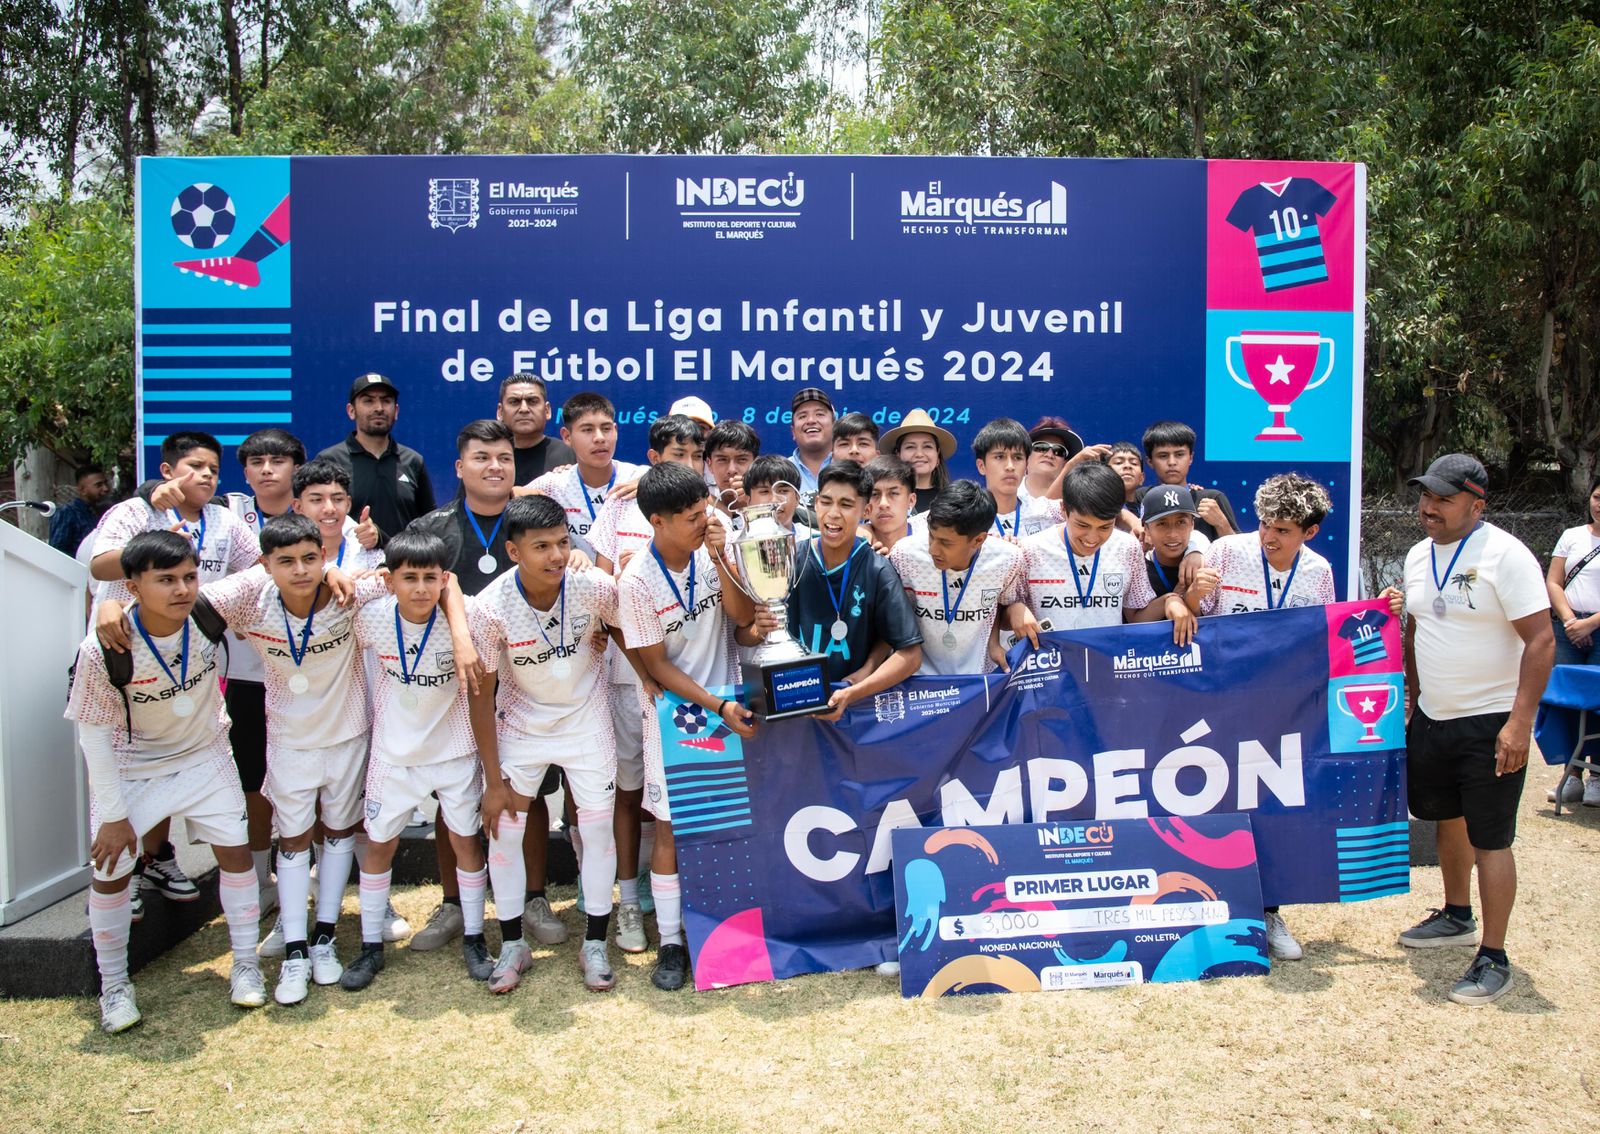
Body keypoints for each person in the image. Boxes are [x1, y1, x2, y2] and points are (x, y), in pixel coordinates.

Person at [183, 515, 393, 1004]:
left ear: (324, 557)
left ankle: (324, 938)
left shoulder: (349, 592)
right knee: (295, 839)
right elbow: (182, 603)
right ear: (265, 564)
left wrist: (343, 573)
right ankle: (295, 949)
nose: (300, 570)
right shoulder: (249, 598)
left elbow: (408, 581)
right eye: (286, 561)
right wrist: (117, 610)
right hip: (288, 742)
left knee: (339, 833)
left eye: (310, 559)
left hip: (347, 736)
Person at [67, 531, 267, 1033]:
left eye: (189, 576)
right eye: (166, 580)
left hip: (205, 754)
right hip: (133, 765)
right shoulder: (102, 647)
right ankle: (114, 987)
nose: (182, 589)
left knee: (236, 854)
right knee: (111, 870)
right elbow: (93, 736)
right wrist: (115, 817)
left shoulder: (209, 608)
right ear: (133, 587)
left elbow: (270, 568)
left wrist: (334, 571)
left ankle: (246, 965)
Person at [1381, 454, 1553, 1006]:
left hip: (1491, 721)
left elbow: (1541, 640)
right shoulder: (1417, 554)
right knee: (1446, 816)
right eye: (1425, 496)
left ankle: (1494, 956)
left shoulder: (1506, 555)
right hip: (1434, 716)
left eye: (1443, 499)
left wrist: (1519, 723)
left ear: (1477, 504)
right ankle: (1457, 914)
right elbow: (1416, 630)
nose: (1428, 507)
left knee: (1491, 838)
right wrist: (1413, 698)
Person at [408, 420, 568, 951]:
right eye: (481, 458)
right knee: (453, 794)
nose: (494, 467)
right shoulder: (434, 528)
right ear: (460, 467)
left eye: (504, 457)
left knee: (530, 790)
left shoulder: (534, 520)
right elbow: (417, 589)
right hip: (455, 683)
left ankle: (534, 897)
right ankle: (455, 903)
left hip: (526, 681)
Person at [89, 431, 261, 906]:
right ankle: (131, 867)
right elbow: (100, 566)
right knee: (128, 758)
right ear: (166, 471)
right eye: (194, 466)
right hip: (127, 653)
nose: (205, 475)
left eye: (212, 469)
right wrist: (142, 560)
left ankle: (157, 857)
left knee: (177, 751)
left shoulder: (224, 521)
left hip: (189, 657)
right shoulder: (134, 512)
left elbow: (259, 564)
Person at [467, 495, 626, 993]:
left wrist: (611, 639)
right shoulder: (489, 607)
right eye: (541, 547)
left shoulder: (592, 585)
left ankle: (594, 943)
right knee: (504, 834)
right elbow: (480, 695)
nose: (556, 556)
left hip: (586, 723)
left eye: (562, 542)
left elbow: (628, 626)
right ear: (514, 552)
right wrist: (492, 780)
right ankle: (513, 943)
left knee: (597, 834)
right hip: (522, 728)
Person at [617, 462, 766, 990]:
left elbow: (743, 617)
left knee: (729, 823)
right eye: (691, 517)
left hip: (729, 703)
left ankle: (732, 931)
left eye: (705, 511)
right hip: (675, 714)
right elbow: (656, 666)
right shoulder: (635, 580)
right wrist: (715, 707)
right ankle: (671, 943)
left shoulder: (713, 551)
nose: (705, 522)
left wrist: (722, 557)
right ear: (657, 522)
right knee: (670, 828)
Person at [1186, 472, 1337, 962]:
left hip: (1281, 712)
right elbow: (1192, 619)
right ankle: (1209, 907)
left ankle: (1270, 911)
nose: (1269, 536)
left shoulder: (1318, 571)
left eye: (1283, 530)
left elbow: (1325, 638)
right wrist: (1192, 596)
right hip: (1221, 704)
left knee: (1271, 810)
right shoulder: (1227, 551)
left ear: (1309, 532)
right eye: (1265, 523)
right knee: (1213, 804)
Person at [340, 529, 488, 992]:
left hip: (454, 752)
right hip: (394, 755)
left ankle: (475, 937)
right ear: (390, 581)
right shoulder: (371, 618)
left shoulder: (468, 617)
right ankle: (370, 945)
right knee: (379, 846)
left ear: (444, 579)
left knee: (466, 842)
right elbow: (341, 595)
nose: (421, 588)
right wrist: (341, 574)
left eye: (430, 578)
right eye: (409, 578)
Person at [222, 427, 308, 917]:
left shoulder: (317, 516)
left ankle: (310, 875)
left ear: (296, 468)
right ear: (246, 471)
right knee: (253, 782)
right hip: (248, 673)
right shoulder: (227, 520)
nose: (268, 469)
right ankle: (260, 880)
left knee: (316, 782)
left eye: (278, 461)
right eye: (257, 462)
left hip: (312, 677)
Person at [787, 461, 923, 699]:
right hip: (792, 697)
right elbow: (747, 633)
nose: (833, 513)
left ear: (866, 511)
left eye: (846, 504)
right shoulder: (790, 559)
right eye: (826, 502)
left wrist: (855, 690)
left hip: (854, 707)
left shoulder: (878, 569)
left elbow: (910, 656)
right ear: (816, 503)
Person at [1020, 464, 1193, 641]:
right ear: (1064, 509)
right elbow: (1007, 613)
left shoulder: (1127, 548)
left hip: (1108, 656)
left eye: (1105, 527)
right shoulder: (1030, 551)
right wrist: (1014, 611)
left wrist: (1170, 600)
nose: (1092, 537)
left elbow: (1135, 617)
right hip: (1050, 657)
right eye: (1082, 525)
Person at [888, 480, 1032, 676]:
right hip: (917, 679)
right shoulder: (904, 555)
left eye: (946, 543)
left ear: (979, 539)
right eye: (931, 536)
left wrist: (1013, 612)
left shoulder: (1008, 560)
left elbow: (1002, 604)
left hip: (977, 678)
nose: (933, 550)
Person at [314, 373, 436, 543]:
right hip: (348, 559)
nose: (379, 408)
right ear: (351, 411)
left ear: (396, 411)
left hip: (404, 559)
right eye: (368, 401)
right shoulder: (330, 460)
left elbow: (429, 524)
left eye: (386, 401)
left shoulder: (413, 461)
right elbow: (317, 519)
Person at [526, 393, 645, 557]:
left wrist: (651, 483)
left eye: (606, 429)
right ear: (567, 437)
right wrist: (514, 492)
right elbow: (506, 501)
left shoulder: (641, 477)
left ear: (616, 431)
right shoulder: (552, 485)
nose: (599, 438)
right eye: (587, 430)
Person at [1545, 475, 1600, 805]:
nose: (1599, 505)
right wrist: (1569, 622)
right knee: (1567, 703)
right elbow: (1554, 581)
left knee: (1598, 706)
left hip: (1596, 627)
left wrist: (1590, 625)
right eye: (1597, 497)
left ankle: (1597, 777)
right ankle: (1571, 775)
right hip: (1567, 629)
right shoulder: (1572, 536)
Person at [1140, 420, 1240, 541]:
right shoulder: (1141, 497)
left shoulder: (1211, 498)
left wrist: (1221, 523)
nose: (1172, 462)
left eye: (1179, 454)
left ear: (1191, 458)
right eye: (1163, 456)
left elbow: (1239, 549)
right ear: (1150, 461)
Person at [972, 418, 1066, 541]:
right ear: (981, 466)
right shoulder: (965, 518)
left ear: (1026, 464)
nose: (1010, 466)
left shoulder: (1051, 512)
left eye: (1017, 458)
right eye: (999, 457)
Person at [291, 459, 384, 573]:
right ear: (298, 507)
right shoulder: (283, 556)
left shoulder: (372, 557)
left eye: (338, 499)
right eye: (317, 500)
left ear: (348, 504)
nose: (329, 509)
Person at [496, 374, 575, 485]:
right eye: (514, 402)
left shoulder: (570, 455)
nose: (524, 409)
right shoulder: (489, 459)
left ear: (547, 410)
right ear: (500, 412)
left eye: (532, 401)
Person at [1138, 484, 1210, 604]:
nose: (1172, 534)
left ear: (1192, 524)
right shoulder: (1140, 572)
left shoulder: (1208, 565)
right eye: (1162, 524)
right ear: (1146, 529)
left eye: (1181, 522)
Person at [880, 409, 955, 517]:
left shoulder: (953, 501)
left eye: (927, 446)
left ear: (938, 456)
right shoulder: (883, 499)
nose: (919, 454)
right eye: (910, 447)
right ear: (898, 455)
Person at [741, 456, 812, 543]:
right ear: (748, 500)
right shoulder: (733, 543)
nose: (774, 500)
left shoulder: (812, 540)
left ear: (797, 498)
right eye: (765, 492)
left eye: (783, 491)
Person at [49, 465, 112, 556]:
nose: (106, 488)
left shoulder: (104, 512)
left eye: (106, 483)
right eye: (98, 485)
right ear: (82, 490)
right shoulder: (67, 513)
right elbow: (56, 552)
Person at [1022, 418, 1089, 500]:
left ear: (1065, 463)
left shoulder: (1077, 500)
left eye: (1059, 451)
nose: (1049, 455)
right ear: (1026, 455)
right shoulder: (1008, 489)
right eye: (1041, 447)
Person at [788, 388, 835, 504]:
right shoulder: (780, 472)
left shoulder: (850, 467)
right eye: (802, 416)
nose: (811, 420)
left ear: (834, 426)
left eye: (819, 414)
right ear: (793, 432)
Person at [863, 456, 918, 554]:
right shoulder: (853, 546)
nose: (883, 504)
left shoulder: (928, 543)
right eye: (874, 494)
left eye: (893, 493)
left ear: (911, 500)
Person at [704, 419, 761, 513]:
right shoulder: (702, 510)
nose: (732, 470)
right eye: (722, 459)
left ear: (755, 464)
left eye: (742, 459)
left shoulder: (775, 502)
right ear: (709, 464)